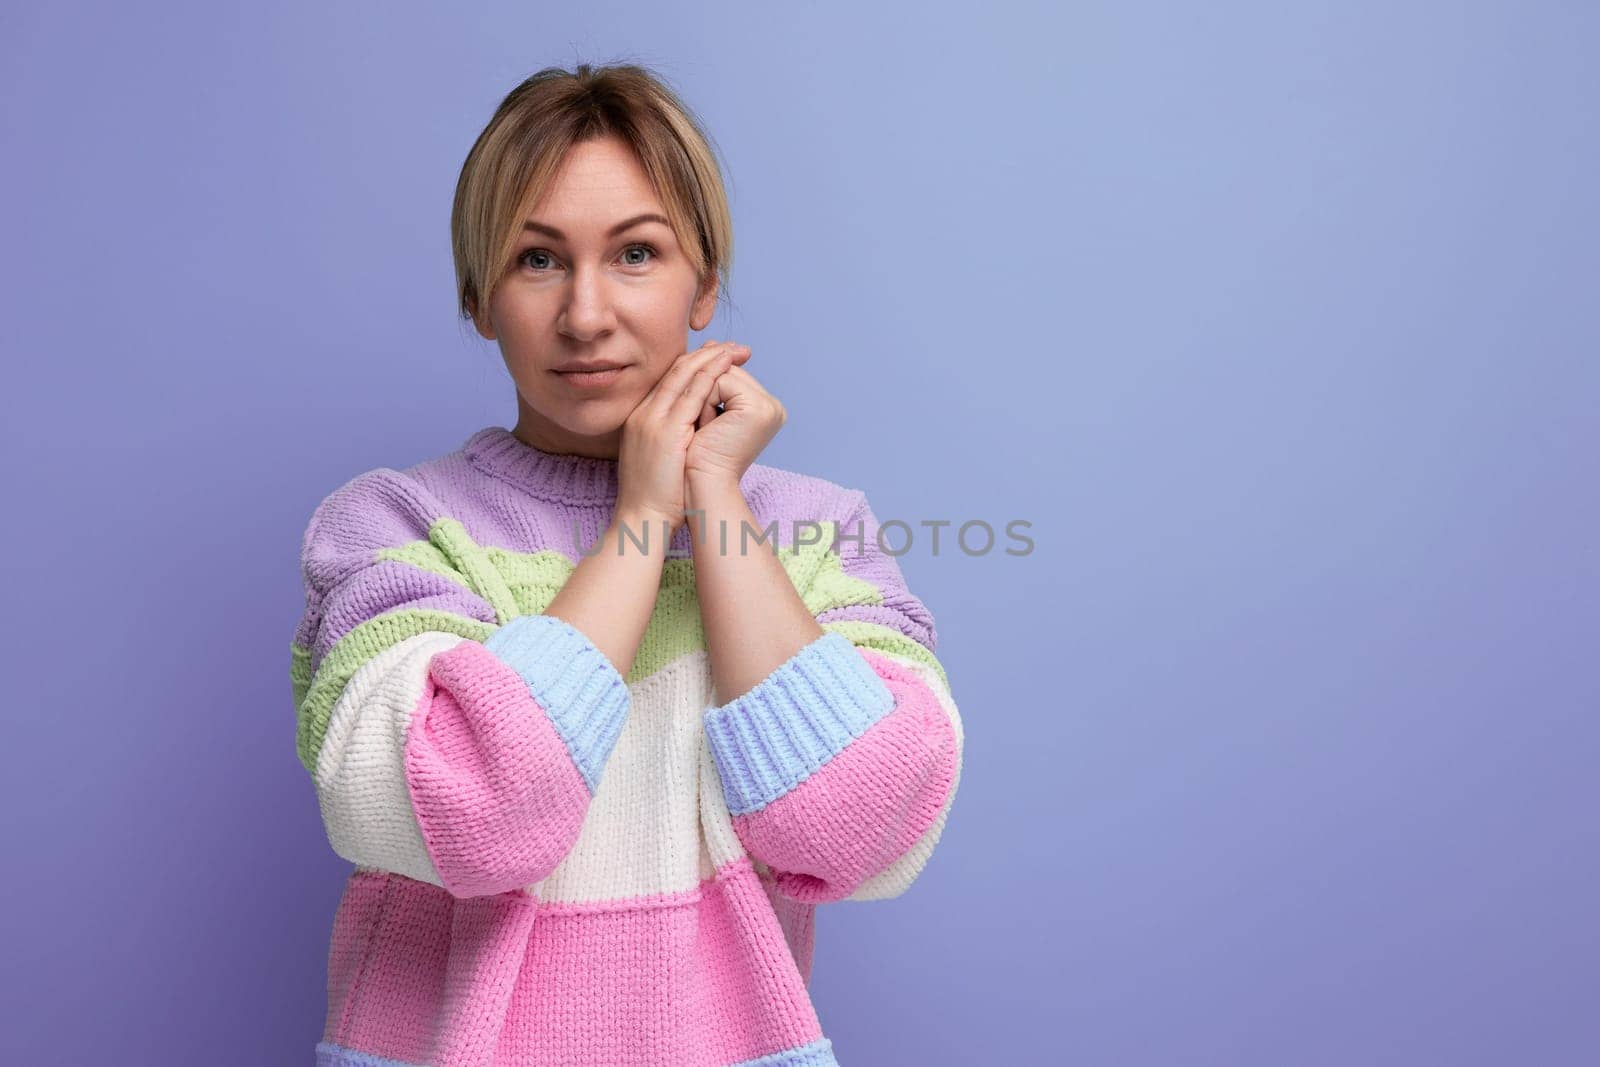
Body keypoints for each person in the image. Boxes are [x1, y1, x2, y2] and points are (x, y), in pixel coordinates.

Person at [290, 62, 964, 1067]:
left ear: (705, 284)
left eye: (637, 252)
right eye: (537, 260)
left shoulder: (821, 534)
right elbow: (470, 814)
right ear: (478, 297)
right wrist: (642, 520)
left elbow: (857, 835)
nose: (587, 314)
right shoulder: (390, 528)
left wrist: (715, 500)